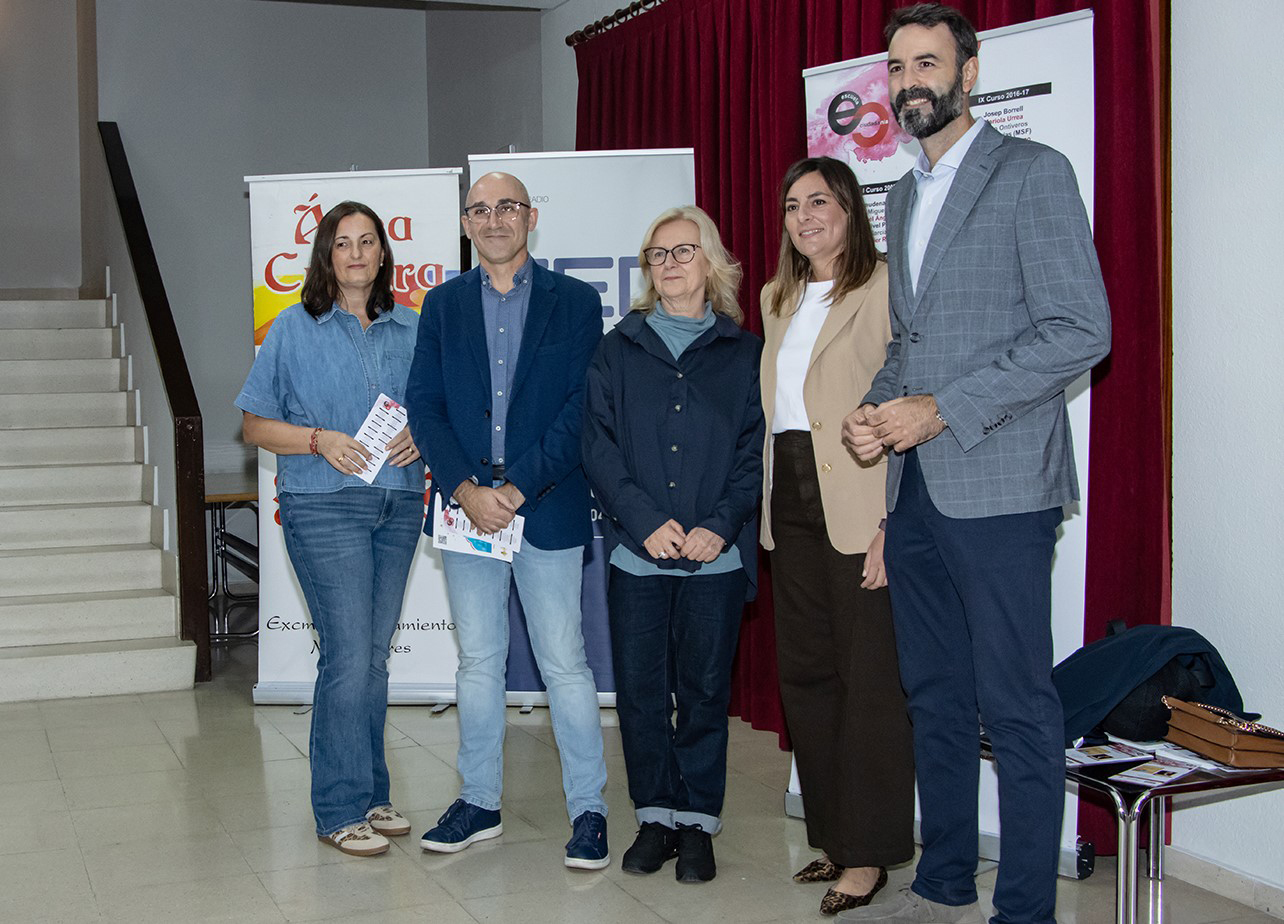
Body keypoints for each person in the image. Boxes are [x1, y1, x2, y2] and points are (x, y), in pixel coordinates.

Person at [838, 5, 1111, 923]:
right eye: (896, 66)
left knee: (1019, 705)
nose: (909, 80)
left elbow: (1082, 331)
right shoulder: (907, 191)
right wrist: (877, 409)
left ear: (970, 69)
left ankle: (1026, 906)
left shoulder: (1034, 174)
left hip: (999, 485)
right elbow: (916, 343)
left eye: (927, 62)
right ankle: (946, 876)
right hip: (916, 489)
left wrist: (941, 410)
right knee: (935, 697)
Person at [404, 171, 611, 870]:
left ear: (530, 218)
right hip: (466, 511)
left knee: (566, 665)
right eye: (480, 208)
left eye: (507, 207)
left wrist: (517, 488)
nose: (494, 219)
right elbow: (424, 404)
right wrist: (464, 488)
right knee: (479, 664)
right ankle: (479, 802)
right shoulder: (442, 304)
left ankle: (589, 810)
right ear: (466, 222)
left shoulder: (576, 302)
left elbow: (582, 408)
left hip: (544, 506)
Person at [582, 206, 763, 884]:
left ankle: (697, 825)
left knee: (705, 690)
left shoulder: (743, 353)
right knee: (640, 693)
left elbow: (753, 454)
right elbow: (597, 446)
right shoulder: (617, 347)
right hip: (638, 553)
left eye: (683, 251)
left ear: (711, 262)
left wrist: (720, 523)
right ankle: (655, 817)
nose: (670, 264)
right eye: (657, 254)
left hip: (717, 556)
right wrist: (643, 519)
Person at [236, 201, 424, 857]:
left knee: (371, 657)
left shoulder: (412, 328)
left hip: (399, 505)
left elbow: (439, 409)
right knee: (347, 655)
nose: (355, 253)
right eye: (342, 243)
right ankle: (339, 809)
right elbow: (254, 427)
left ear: (382, 252)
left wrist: (419, 434)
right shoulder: (293, 328)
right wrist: (317, 439)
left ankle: (371, 791)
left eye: (366, 241)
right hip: (323, 505)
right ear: (326, 255)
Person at [758, 157, 915, 916]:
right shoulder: (777, 297)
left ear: (851, 210)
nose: (805, 216)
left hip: (860, 496)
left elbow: (905, 399)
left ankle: (872, 853)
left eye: (820, 201)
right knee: (809, 677)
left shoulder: (885, 286)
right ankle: (832, 836)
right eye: (793, 205)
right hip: (787, 497)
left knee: (869, 683)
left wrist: (893, 517)